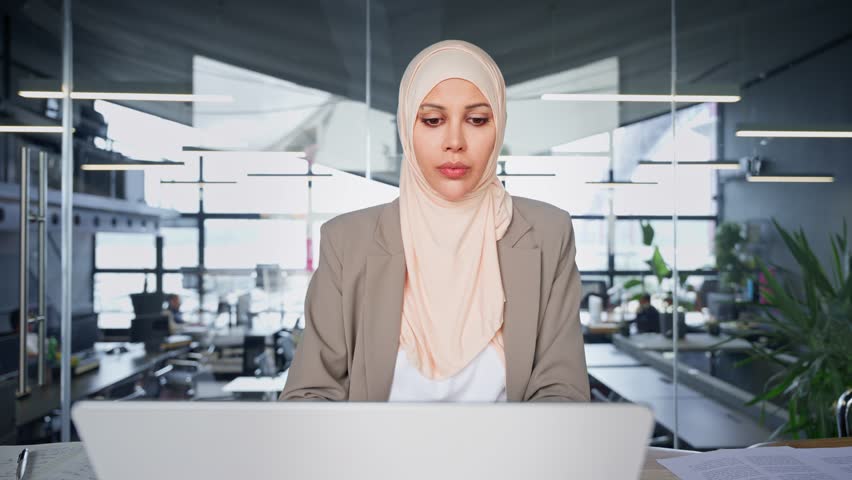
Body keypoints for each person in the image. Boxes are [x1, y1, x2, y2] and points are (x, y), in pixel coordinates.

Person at [280, 39, 589, 402]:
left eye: (476, 120)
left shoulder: (547, 233)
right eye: (432, 120)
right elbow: (309, 396)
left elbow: (563, 394)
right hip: (374, 458)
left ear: (499, 127)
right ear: (407, 130)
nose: (454, 141)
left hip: (510, 459)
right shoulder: (348, 242)